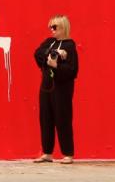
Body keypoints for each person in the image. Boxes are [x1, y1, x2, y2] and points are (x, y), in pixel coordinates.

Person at [32, 14, 79, 164]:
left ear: (63, 27)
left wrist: (57, 65)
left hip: (62, 89)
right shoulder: (49, 42)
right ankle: (47, 152)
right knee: (45, 118)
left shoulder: (70, 45)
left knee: (62, 118)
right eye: (50, 27)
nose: (51, 30)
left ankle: (68, 153)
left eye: (54, 27)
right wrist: (56, 54)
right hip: (46, 86)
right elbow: (38, 53)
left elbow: (72, 70)